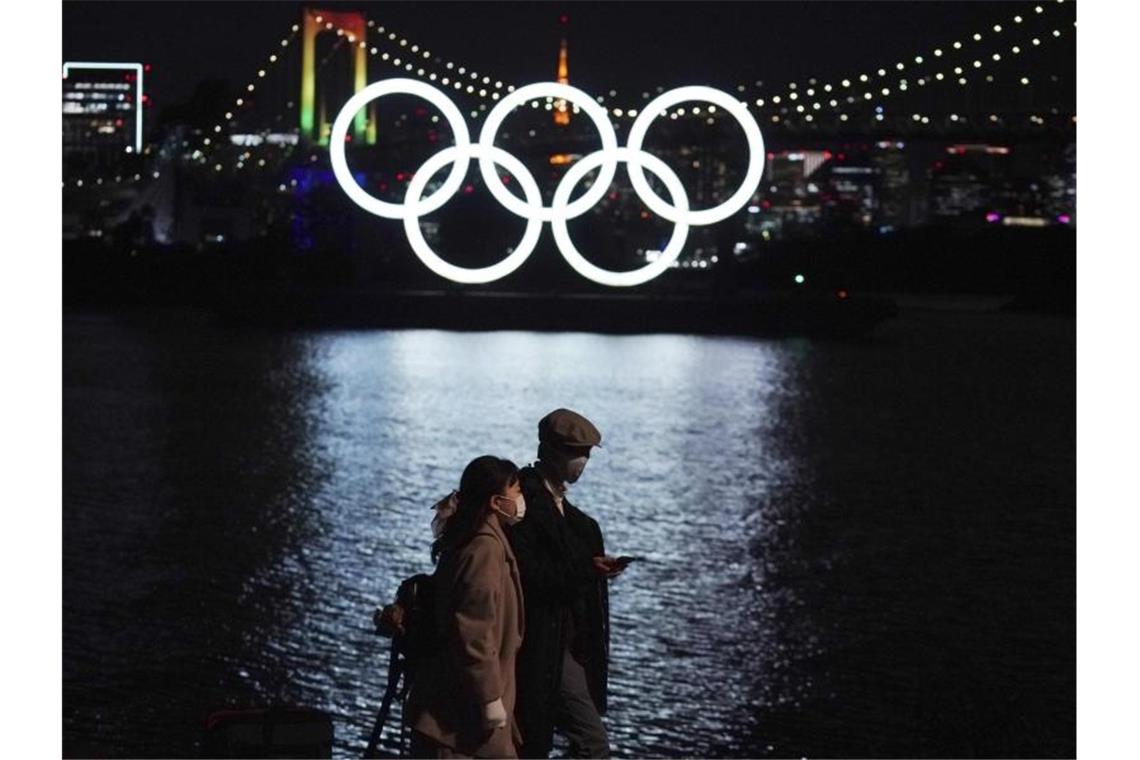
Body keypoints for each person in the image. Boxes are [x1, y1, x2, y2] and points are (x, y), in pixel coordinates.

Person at [507, 409, 626, 759]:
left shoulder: (566, 513)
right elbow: (534, 575)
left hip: (563, 641)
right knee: (591, 742)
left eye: (587, 453)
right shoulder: (525, 504)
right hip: (542, 643)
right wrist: (588, 571)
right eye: (579, 453)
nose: (584, 462)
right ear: (553, 452)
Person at [404, 456, 528, 758]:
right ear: (497, 502)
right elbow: (472, 630)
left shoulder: (471, 538)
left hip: (457, 716)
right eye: (517, 491)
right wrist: (490, 698)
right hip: (459, 723)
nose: (522, 499)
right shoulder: (485, 548)